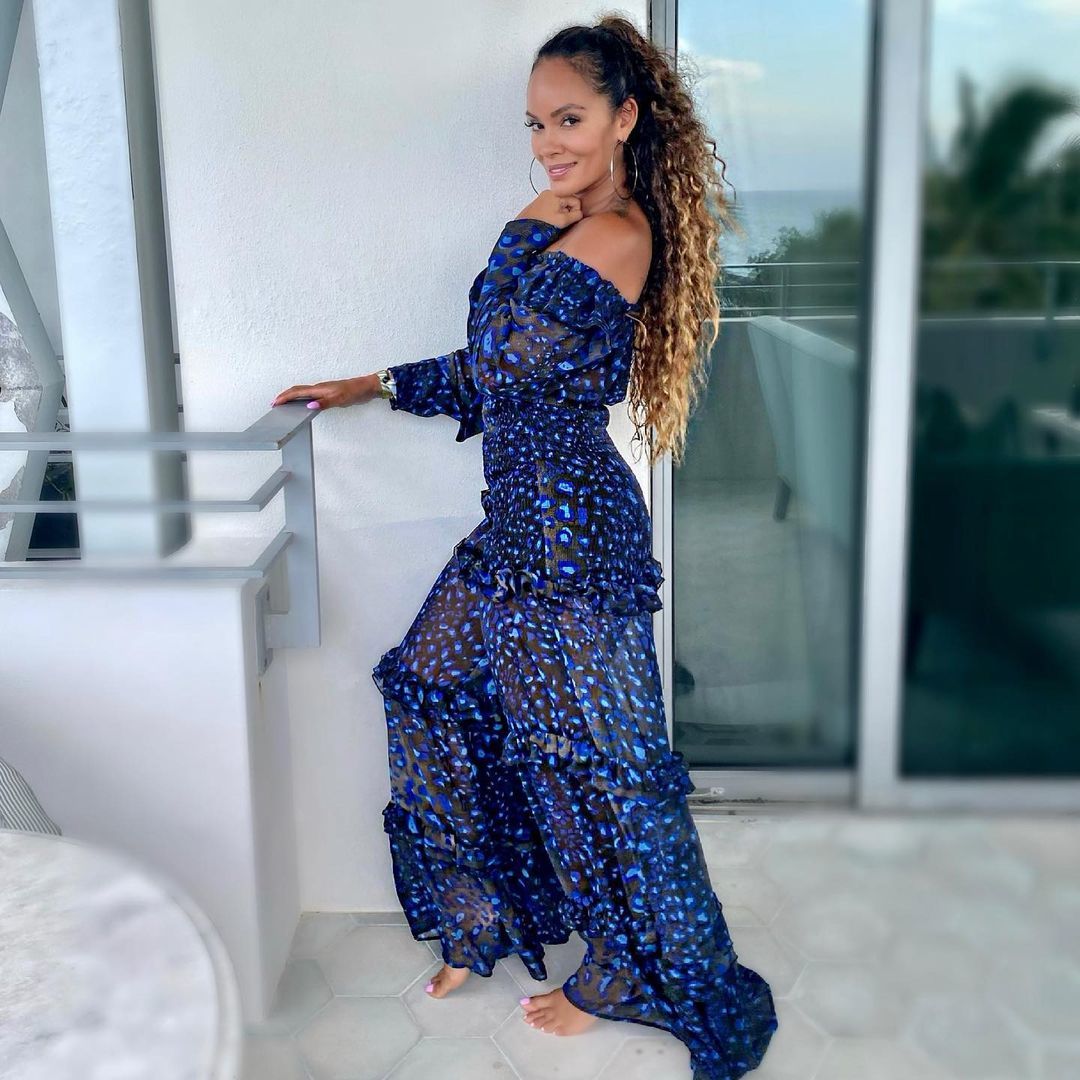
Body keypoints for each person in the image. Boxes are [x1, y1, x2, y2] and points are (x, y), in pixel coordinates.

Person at [272, 16, 777, 1079]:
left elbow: (499, 349)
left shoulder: (616, 234)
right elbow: (491, 370)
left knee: (604, 770)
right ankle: (479, 917)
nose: (549, 144)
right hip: (520, 528)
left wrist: (515, 230)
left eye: (569, 120)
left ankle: (637, 974)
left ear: (625, 119)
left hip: (572, 541)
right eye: (537, 125)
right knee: (428, 688)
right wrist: (370, 384)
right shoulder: (570, 237)